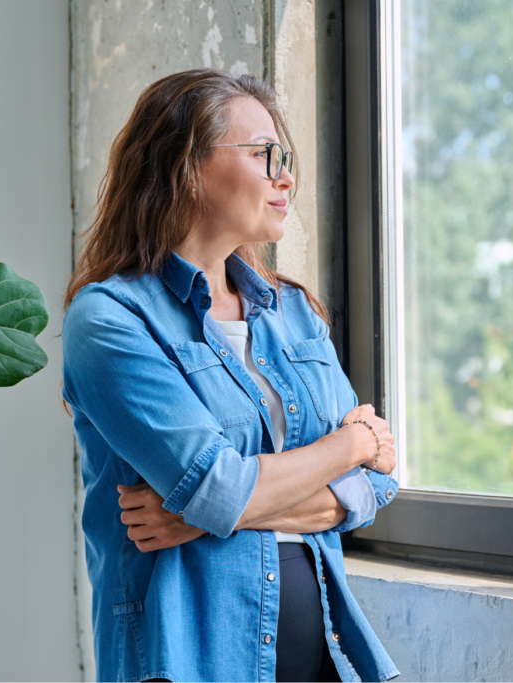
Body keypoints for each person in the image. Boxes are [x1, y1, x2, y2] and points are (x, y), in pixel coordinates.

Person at [61, 69, 401, 683]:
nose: (286, 176)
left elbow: (375, 489)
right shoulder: (111, 319)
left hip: (327, 658)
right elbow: (221, 486)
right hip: (190, 663)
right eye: (264, 154)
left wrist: (199, 515)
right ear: (184, 166)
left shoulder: (291, 311)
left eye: (287, 156)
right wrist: (351, 444)